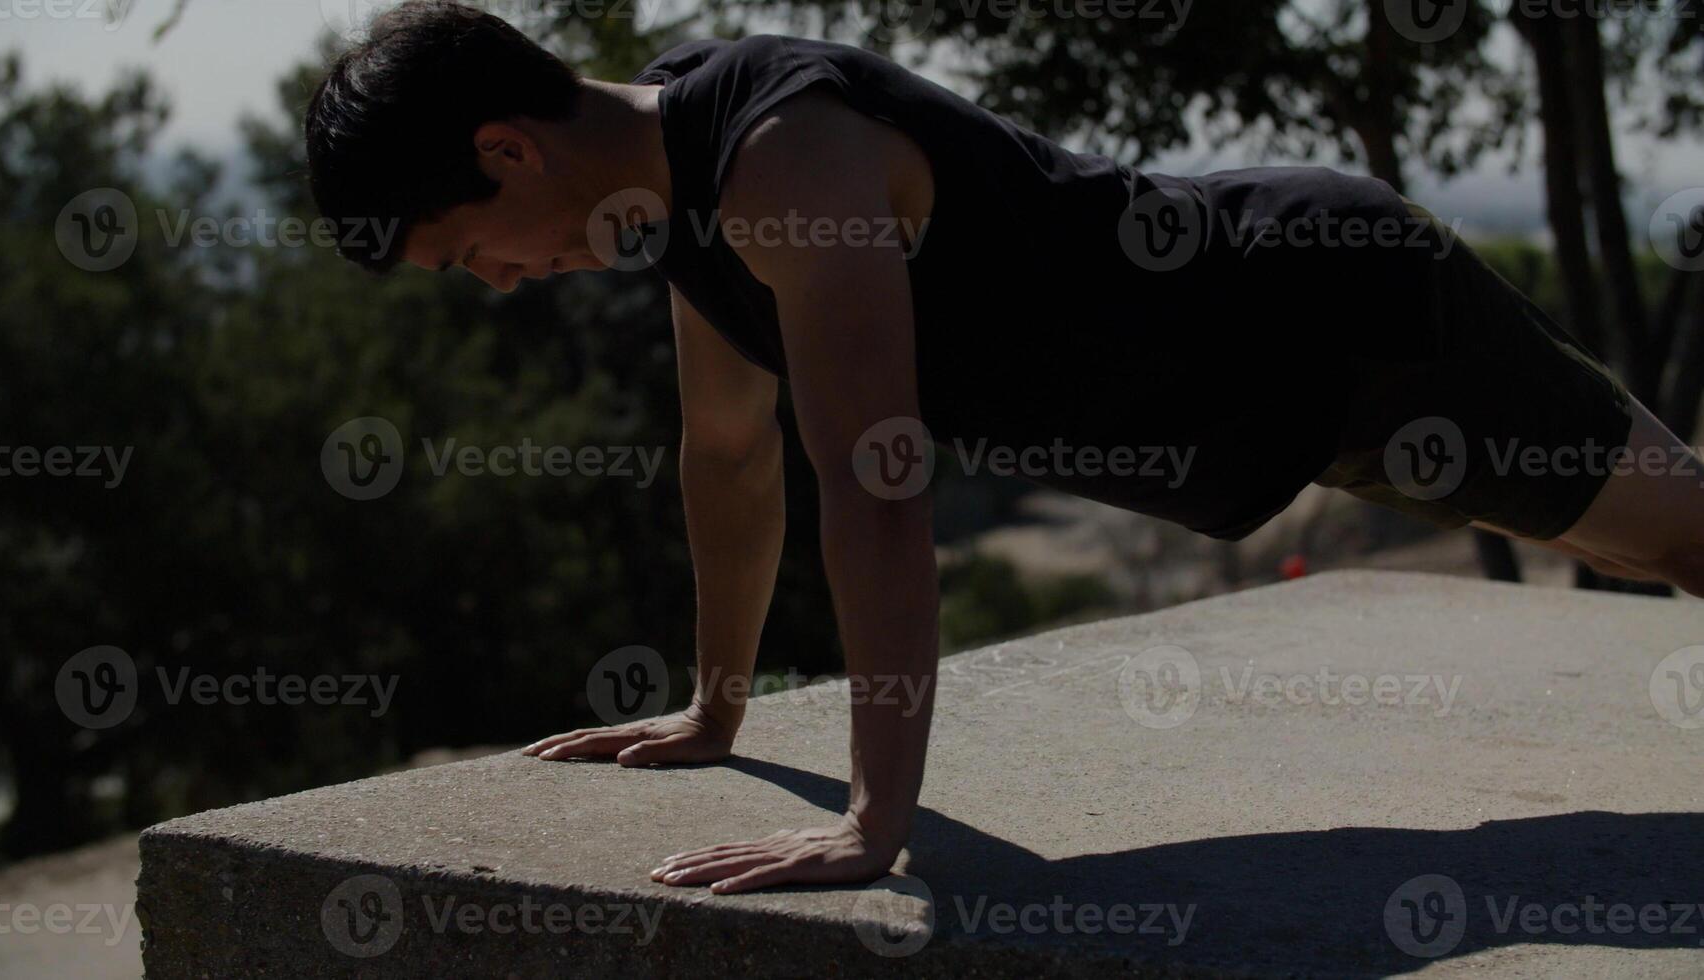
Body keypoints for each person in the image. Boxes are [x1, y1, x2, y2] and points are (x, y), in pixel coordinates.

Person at [304, 1, 1704, 894]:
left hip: (1334, 322)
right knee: (1637, 541)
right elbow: (731, 453)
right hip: (1252, 407)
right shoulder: (674, 189)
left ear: (503, 153)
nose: (491, 281)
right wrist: (713, 713)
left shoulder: (784, 159)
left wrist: (872, 819)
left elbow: (873, 479)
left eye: (460, 252)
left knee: (1676, 538)